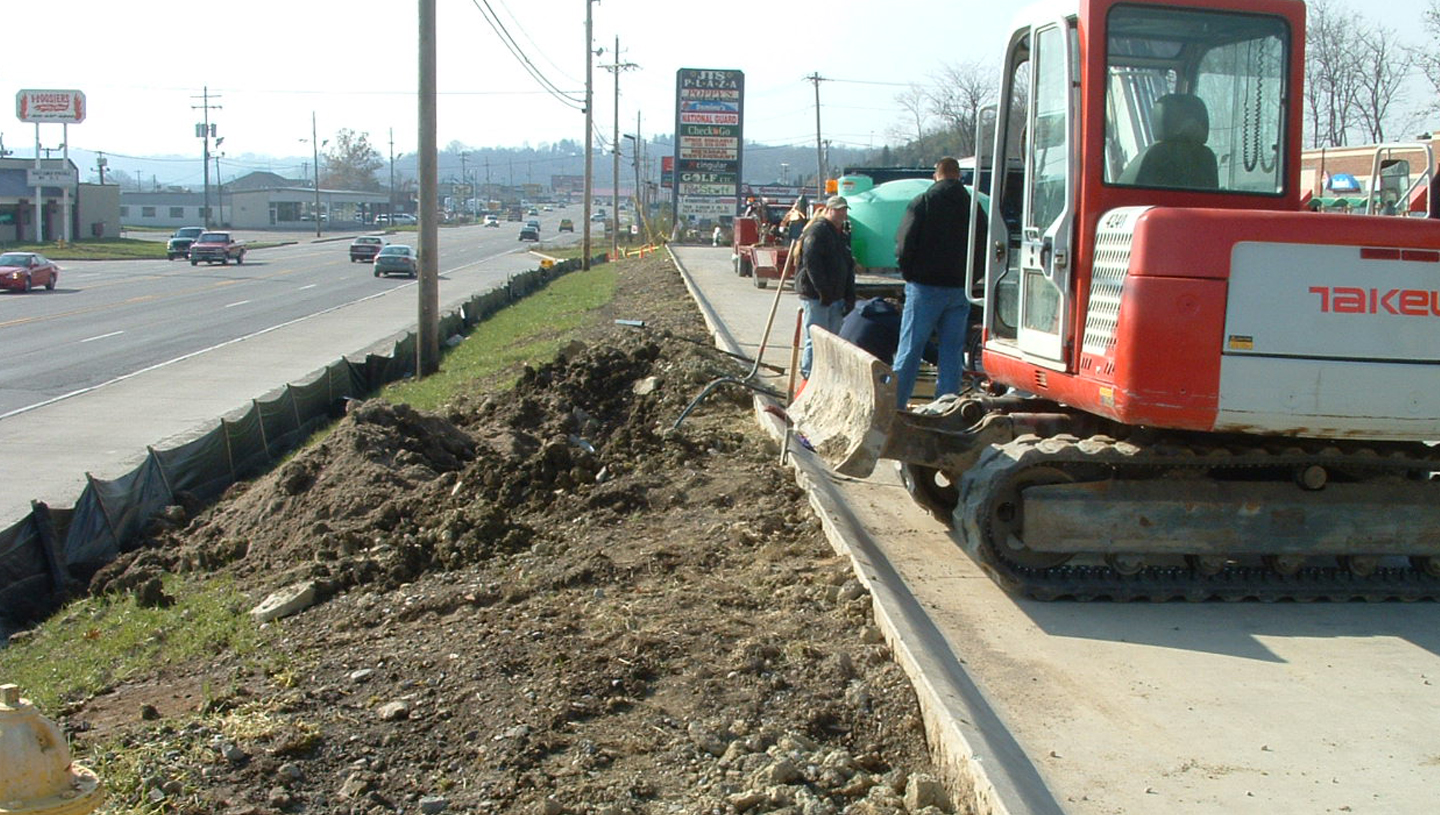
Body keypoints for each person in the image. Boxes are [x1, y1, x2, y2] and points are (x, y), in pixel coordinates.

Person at [892, 156, 972, 408]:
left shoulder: (923, 202)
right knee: (951, 353)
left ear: (935, 175)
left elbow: (904, 245)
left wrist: (910, 274)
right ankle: (945, 407)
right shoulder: (972, 206)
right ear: (958, 176)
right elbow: (984, 246)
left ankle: (895, 407)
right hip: (960, 288)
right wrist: (971, 277)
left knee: (910, 350)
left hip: (924, 287)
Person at [795, 194, 856, 380]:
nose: (842, 214)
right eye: (838, 210)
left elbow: (847, 266)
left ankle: (827, 376)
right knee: (815, 339)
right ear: (829, 210)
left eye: (844, 210)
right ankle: (809, 375)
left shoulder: (841, 236)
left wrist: (849, 294)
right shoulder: (817, 232)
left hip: (836, 296)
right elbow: (812, 263)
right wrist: (823, 292)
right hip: (816, 297)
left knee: (833, 340)